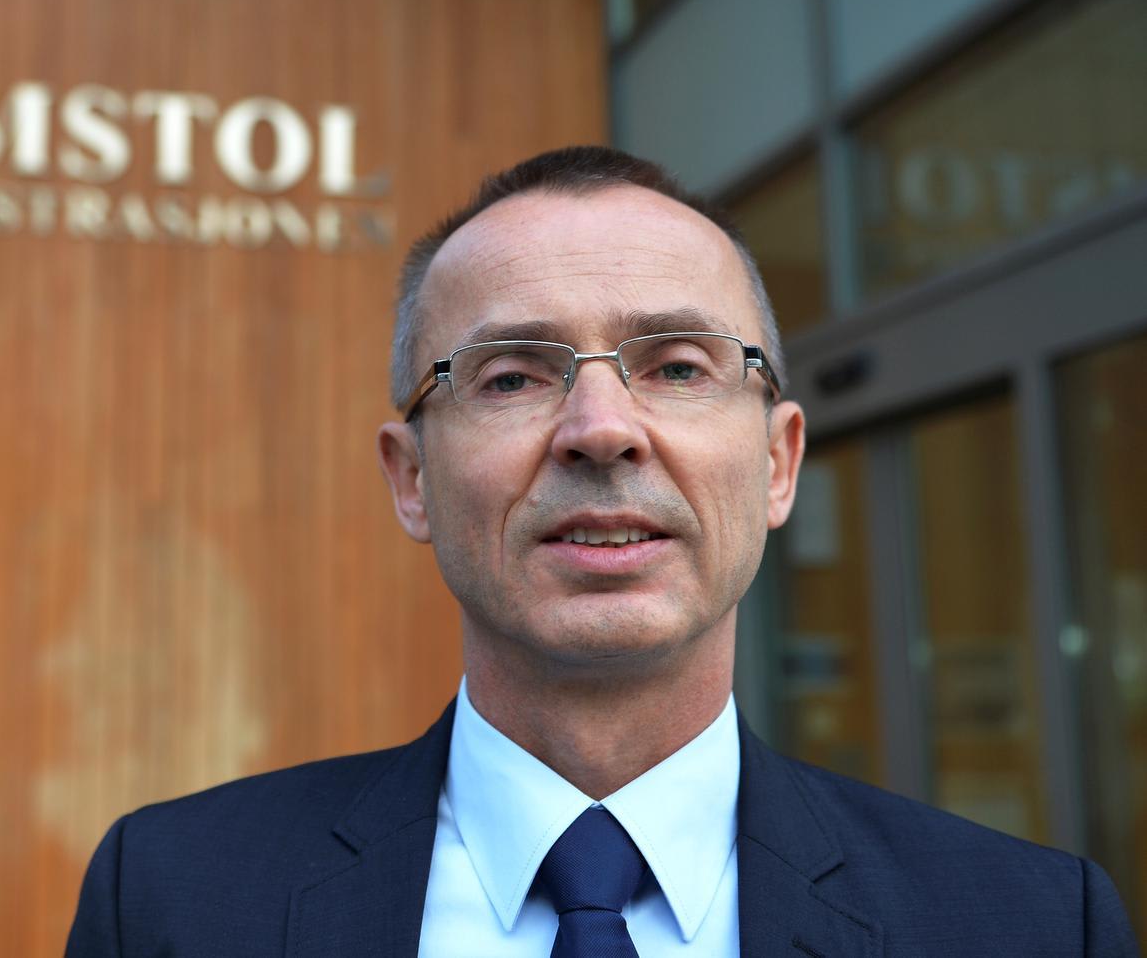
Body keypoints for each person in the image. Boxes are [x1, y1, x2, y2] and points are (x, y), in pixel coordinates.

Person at [65, 146, 1138, 956]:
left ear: (778, 463)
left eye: (676, 367)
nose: (601, 428)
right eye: (511, 376)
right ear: (411, 477)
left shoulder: (1034, 924)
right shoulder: (167, 899)